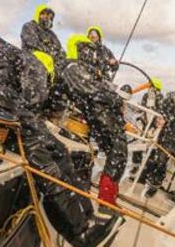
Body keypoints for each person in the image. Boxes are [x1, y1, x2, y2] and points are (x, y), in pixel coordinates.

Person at [0, 43, 123, 247]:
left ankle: (85, 221)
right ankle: (82, 233)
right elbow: (32, 101)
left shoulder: (7, 56)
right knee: (49, 162)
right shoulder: (36, 64)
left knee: (58, 150)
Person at [53, 33, 128, 209]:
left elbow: (96, 87)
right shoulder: (72, 67)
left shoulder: (81, 68)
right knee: (117, 151)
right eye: (88, 49)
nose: (92, 53)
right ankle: (106, 200)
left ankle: (107, 196)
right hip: (97, 114)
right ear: (79, 48)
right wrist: (116, 100)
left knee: (117, 152)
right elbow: (92, 90)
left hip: (98, 114)